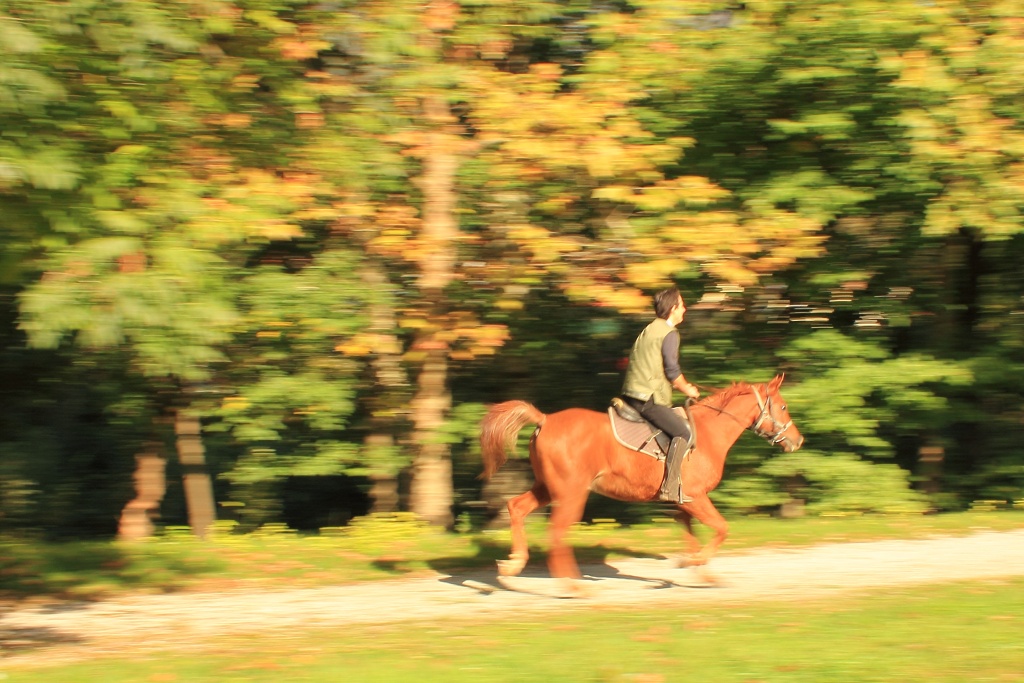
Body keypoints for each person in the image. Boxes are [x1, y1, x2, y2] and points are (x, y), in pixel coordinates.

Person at [621, 287, 700, 504]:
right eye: (682, 305)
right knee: (683, 433)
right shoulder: (669, 333)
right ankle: (669, 488)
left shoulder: (649, 329)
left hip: (633, 393)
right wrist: (688, 389)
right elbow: (672, 371)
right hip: (648, 398)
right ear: (673, 308)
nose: (684, 309)